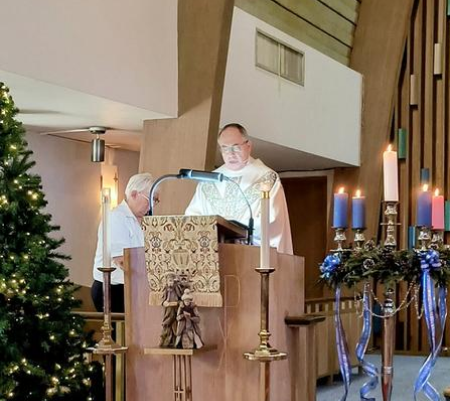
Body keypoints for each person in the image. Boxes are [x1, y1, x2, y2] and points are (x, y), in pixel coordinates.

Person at [185, 123, 293, 254]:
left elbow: (272, 221)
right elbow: (193, 217)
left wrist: (235, 231)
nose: (230, 154)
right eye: (225, 148)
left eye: (235, 148)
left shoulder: (266, 178)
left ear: (248, 146)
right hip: (213, 255)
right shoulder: (210, 180)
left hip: (251, 255)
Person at [91, 172, 156, 313]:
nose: (151, 206)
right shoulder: (116, 218)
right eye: (149, 200)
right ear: (134, 194)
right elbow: (122, 260)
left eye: (155, 201)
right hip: (112, 289)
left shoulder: (139, 222)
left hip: (130, 287)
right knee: (122, 334)